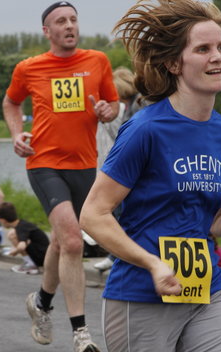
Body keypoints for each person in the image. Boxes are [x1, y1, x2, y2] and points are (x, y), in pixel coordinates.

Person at [79, 1, 221, 352]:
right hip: (143, 292)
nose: (217, 57)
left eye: (220, 47)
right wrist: (153, 263)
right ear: (174, 63)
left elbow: (220, 220)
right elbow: (93, 214)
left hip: (205, 289)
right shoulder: (145, 129)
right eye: (202, 49)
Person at [2, 1, 119, 352]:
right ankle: (81, 332)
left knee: (59, 240)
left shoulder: (97, 60)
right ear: (47, 31)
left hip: (85, 165)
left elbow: (113, 105)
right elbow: (11, 103)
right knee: (71, 239)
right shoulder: (30, 67)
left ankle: (41, 302)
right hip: (44, 163)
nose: (69, 26)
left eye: (73, 20)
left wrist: (106, 110)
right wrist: (17, 134)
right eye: (60, 21)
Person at [93, 66, 141, 273]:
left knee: (121, 214)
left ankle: (117, 256)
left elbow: (120, 137)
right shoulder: (129, 107)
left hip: (123, 171)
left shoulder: (127, 109)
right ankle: (116, 255)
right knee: (118, 213)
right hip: (117, 168)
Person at [0, 201, 49, 275]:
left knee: (13, 235)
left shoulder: (21, 228)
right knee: (12, 233)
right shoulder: (22, 224)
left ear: (3, 220)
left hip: (42, 257)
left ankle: (31, 265)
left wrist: (14, 252)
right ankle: (30, 262)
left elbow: (21, 246)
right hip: (45, 254)